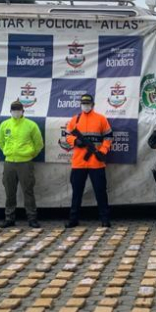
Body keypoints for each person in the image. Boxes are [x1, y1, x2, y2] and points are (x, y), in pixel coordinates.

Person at [65, 93, 112, 228]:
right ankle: (73, 219)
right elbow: (67, 136)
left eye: (88, 104)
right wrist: (75, 140)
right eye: (83, 104)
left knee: (100, 191)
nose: (86, 106)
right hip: (79, 162)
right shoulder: (75, 119)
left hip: (96, 162)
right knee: (77, 192)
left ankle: (105, 219)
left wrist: (102, 151)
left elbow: (108, 137)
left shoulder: (101, 119)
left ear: (92, 105)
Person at [0, 101, 44, 228]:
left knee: (28, 191)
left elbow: (39, 144)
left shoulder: (31, 125)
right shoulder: (4, 125)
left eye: (18, 110)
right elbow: (0, 141)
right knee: (9, 192)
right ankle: (9, 218)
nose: (16, 112)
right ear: (10, 111)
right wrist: (9, 153)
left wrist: (29, 154)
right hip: (9, 163)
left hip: (25, 163)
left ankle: (32, 218)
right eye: (14, 110)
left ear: (23, 111)